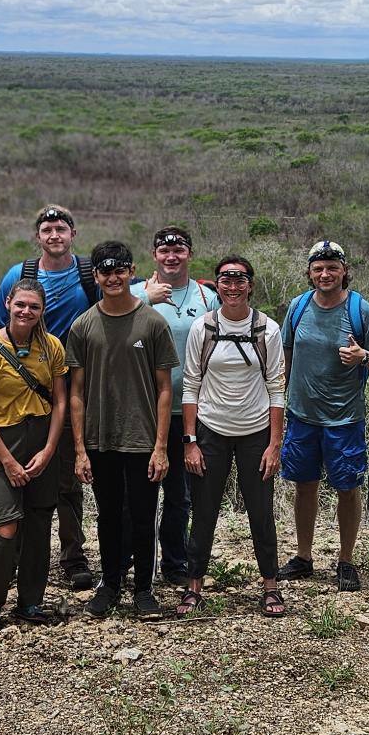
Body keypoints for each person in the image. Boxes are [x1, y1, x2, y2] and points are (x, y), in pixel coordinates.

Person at [65, 241, 179, 620]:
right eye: (105, 272)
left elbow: (165, 388)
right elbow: (76, 393)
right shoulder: (82, 326)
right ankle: (110, 583)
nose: (113, 278)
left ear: (132, 272)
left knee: (145, 514)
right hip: (101, 439)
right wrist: (80, 449)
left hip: (143, 438)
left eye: (120, 270)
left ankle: (144, 589)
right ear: (95, 276)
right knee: (109, 514)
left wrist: (161, 446)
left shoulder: (153, 322)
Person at [0, 205, 100, 590]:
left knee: (68, 476)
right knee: (20, 473)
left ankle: (73, 555)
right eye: (47, 229)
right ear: (37, 236)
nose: (54, 235)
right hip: (23, 394)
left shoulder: (89, 276)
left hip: (74, 389)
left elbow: (118, 300)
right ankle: (19, 552)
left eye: (61, 228)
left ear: (73, 233)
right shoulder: (18, 277)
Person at [178, 254, 288, 617]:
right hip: (211, 431)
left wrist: (275, 444)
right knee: (204, 510)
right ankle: (194, 585)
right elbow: (191, 385)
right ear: (217, 285)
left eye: (240, 279)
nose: (233, 286)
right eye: (226, 279)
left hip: (256, 432)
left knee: (261, 512)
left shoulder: (267, 329)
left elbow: (276, 387)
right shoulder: (203, 328)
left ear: (250, 285)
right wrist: (190, 441)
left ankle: (270, 586)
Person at [278, 239, 369, 591]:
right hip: (302, 416)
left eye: (332, 268)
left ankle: (346, 560)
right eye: (318, 268)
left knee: (347, 488)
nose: (325, 274)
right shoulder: (297, 307)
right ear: (310, 273)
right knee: (304, 485)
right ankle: (304, 556)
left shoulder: (360, 309)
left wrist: (364, 357)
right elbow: (286, 357)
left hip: (344, 418)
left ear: (344, 271)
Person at [0, 277, 69, 626]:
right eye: (20, 304)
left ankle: (30, 603)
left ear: (42, 311)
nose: (26, 311)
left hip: (42, 441)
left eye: (34, 306)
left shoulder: (53, 347)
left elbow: (60, 401)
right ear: (8, 303)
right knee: (7, 525)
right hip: (3, 445)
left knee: (39, 525)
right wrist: (8, 461)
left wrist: (50, 449)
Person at [136, 225, 219, 586]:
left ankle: (175, 563)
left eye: (179, 250)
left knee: (180, 496)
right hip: (143, 411)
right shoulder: (135, 292)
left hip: (190, 413)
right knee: (137, 494)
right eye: (164, 251)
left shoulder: (207, 297)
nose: (172, 256)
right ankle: (133, 563)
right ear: (154, 255)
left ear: (189, 254)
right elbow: (112, 328)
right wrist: (145, 300)